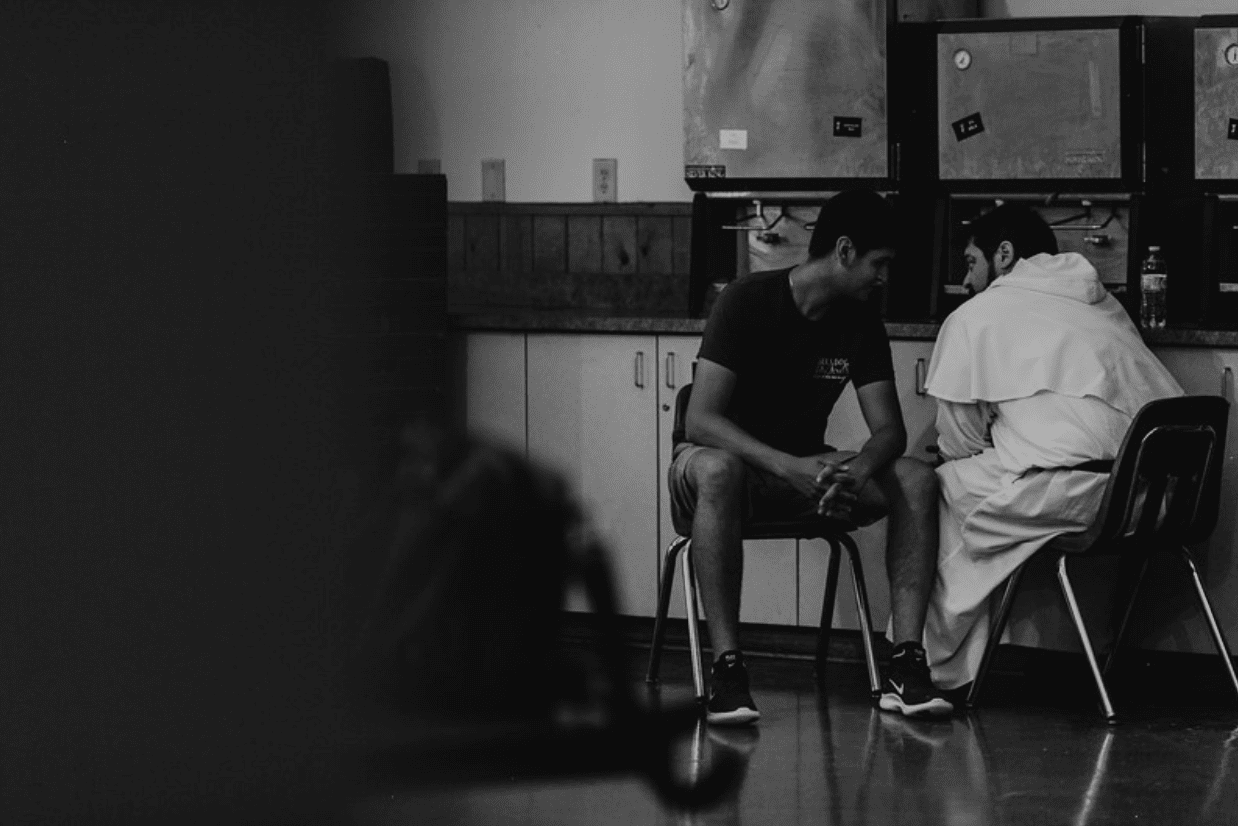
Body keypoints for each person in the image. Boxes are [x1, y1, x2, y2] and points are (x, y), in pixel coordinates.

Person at [670, 189, 951, 725]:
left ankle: (906, 665)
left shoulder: (861, 321)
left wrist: (857, 472)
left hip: (806, 467)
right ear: (844, 251)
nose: (884, 278)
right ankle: (728, 673)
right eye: (880, 263)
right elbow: (701, 420)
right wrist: (786, 466)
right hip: (717, 463)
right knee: (719, 469)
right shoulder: (746, 301)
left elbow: (888, 429)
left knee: (916, 479)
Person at [923, 203, 1184, 691]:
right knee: (995, 476)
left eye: (971, 262)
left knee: (939, 486)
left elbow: (957, 440)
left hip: (1075, 497)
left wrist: (989, 435)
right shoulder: (1101, 303)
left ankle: (932, 667)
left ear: (1003, 255)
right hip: (1156, 497)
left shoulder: (976, 316)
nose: (965, 279)